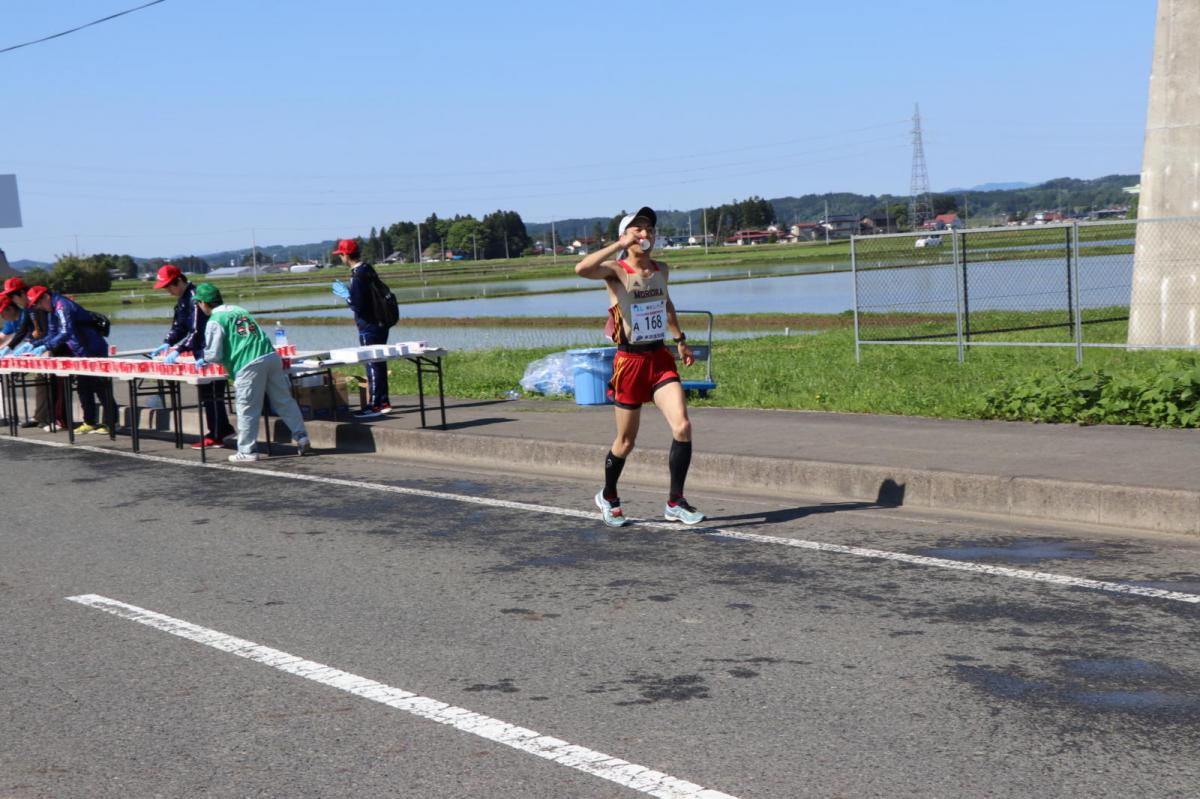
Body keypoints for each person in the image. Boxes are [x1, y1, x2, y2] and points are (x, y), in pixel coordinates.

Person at [574, 206, 706, 527]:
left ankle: (675, 502)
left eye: (649, 229)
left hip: (659, 358)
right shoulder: (615, 270)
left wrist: (680, 339)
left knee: (682, 427)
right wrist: (618, 245)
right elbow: (581, 268)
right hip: (629, 362)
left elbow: (666, 303)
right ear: (626, 235)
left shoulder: (661, 269)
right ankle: (608, 496)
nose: (645, 234)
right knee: (626, 442)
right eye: (638, 229)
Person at [194, 283, 313, 462]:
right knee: (284, 400)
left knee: (247, 408)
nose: (198, 306)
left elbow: (214, 354)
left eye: (198, 303)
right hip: (270, 356)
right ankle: (301, 436)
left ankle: (247, 451)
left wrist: (205, 358)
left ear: (204, 302)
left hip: (248, 363)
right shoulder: (239, 310)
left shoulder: (215, 320)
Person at [149, 264, 235, 449]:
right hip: (200, 353)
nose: (168, 291)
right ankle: (222, 429)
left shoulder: (197, 298)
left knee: (213, 394)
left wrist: (179, 349)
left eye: (168, 287)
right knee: (208, 394)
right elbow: (179, 326)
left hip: (211, 351)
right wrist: (168, 342)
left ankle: (217, 434)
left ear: (179, 281)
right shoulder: (182, 300)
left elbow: (197, 331)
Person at [25, 285, 118, 435]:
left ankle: (112, 423)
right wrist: (33, 344)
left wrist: (46, 347)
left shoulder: (62, 305)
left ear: (46, 296)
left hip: (93, 348)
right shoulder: (52, 311)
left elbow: (66, 331)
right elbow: (52, 333)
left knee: (100, 386)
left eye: (38, 302)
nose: (38, 306)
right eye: (35, 304)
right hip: (79, 351)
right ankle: (89, 422)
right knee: (83, 387)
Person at [331, 238, 391, 418]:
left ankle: (375, 405)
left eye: (340, 254)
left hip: (368, 326)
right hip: (381, 323)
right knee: (379, 362)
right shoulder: (368, 269)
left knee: (372, 363)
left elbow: (358, 305)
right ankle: (383, 401)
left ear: (346, 255)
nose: (340, 257)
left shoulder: (357, 275)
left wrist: (346, 295)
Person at [0, 277, 57, 429]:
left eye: (13, 297)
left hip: (51, 346)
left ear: (21, 294)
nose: (14, 301)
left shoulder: (37, 305)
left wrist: (34, 345)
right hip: (40, 347)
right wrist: (9, 348)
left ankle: (53, 418)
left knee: (48, 381)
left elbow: (47, 331)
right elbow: (21, 331)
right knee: (40, 380)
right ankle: (41, 417)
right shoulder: (26, 310)